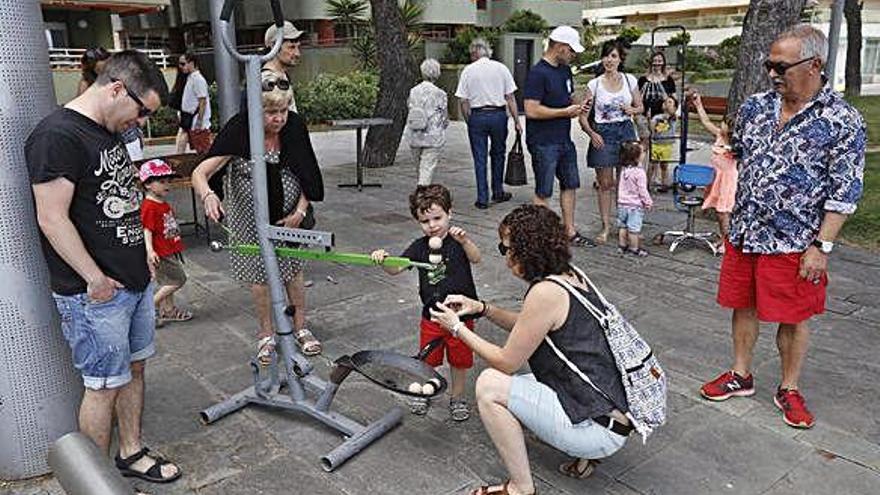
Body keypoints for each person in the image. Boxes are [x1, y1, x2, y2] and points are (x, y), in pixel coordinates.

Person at [26, 50, 181, 484]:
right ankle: (93, 483)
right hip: (94, 293)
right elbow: (51, 217)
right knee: (102, 384)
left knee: (135, 368)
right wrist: (94, 279)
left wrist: (142, 261)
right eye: (141, 111)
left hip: (130, 281)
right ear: (116, 89)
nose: (141, 122)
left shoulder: (107, 130)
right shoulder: (57, 135)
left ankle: (130, 452)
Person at [700, 25, 866, 429]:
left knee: (793, 317)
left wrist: (821, 247)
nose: (772, 74)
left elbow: (845, 191)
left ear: (815, 65)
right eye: (768, 65)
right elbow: (737, 147)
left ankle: (789, 388)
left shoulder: (843, 120)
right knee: (743, 304)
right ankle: (741, 374)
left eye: (781, 66)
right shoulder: (757, 107)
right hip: (745, 232)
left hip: (796, 241)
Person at [429, 205, 632, 495]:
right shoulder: (569, 276)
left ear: (528, 251)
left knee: (489, 385)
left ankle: (521, 488)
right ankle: (586, 458)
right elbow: (529, 326)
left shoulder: (545, 293)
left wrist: (456, 328)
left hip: (598, 429)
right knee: (523, 385)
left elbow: (506, 362)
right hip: (612, 413)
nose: (505, 256)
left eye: (506, 248)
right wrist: (482, 309)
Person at [192, 71, 325, 363]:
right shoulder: (240, 128)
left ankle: (300, 327)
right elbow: (200, 173)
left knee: (293, 268)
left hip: (289, 215)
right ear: (255, 110)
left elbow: (308, 173)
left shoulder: (294, 127)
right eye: (270, 112)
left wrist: (300, 212)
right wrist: (209, 195)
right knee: (259, 274)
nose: (278, 118)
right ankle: (266, 334)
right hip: (248, 217)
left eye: (283, 111)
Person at [370, 184, 481, 421]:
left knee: (459, 360)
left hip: (462, 314)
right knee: (428, 359)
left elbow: (477, 258)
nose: (432, 226)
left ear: (450, 213)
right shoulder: (419, 247)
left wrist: (466, 241)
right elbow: (396, 267)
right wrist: (384, 259)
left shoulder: (457, 241)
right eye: (425, 221)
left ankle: (457, 397)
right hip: (432, 315)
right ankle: (423, 393)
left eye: (437, 218)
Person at [524, 25, 591, 247]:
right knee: (543, 189)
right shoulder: (538, 73)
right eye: (571, 51)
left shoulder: (564, 70)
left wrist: (578, 105)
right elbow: (532, 109)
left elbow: (568, 95)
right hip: (543, 141)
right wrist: (564, 112)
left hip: (563, 138)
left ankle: (569, 230)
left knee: (570, 184)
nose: (573, 56)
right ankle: (539, 235)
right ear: (560, 47)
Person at [582, 40, 644, 245]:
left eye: (614, 56)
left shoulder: (630, 80)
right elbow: (583, 116)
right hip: (604, 133)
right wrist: (592, 133)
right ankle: (606, 226)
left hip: (625, 130)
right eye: (606, 56)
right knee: (605, 184)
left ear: (620, 59)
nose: (609, 60)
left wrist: (632, 110)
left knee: (627, 181)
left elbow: (640, 107)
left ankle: (625, 225)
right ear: (602, 59)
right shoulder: (594, 84)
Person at [455, 38, 519, 209]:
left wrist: (469, 120)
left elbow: (463, 100)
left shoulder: (468, 71)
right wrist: (517, 121)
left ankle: (482, 198)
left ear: (475, 53)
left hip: (477, 115)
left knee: (479, 157)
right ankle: (497, 191)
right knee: (498, 154)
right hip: (498, 115)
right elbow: (510, 97)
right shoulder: (501, 68)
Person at [139, 159, 192, 326]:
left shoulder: (160, 203)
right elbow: (146, 229)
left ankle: (168, 310)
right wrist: (150, 251)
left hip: (168, 248)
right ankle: (149, 307)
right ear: (147, 184)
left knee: (167, 281)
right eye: (161, 181)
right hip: (160, 252)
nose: (166, 185)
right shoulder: (149, 206)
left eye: (168, 181)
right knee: (178, 280)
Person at [692, 92, 737, 254]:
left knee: (724, 212)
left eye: (725, 124)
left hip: (727, 181)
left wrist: (731, 149)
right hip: (716, 179)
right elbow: (706, 121)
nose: (722, 125)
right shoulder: (719, 135)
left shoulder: (734, 146)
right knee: (719, 213)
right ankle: (724, 237)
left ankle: (728, 243)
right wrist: (699, 105)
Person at [406, 58, 448, 185]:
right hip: (432, 135)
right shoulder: (440, 93)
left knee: (419, 168)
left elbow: (410, 107)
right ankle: (422, 194)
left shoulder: (413, 91)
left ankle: (422, 192)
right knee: (427, 168)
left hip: (415, 133)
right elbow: (444, 115)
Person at [616, 142, 652, 257]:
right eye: (643, 152)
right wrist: (648, 202)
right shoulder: (640, 173)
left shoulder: (624, 170)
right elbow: (642, 190)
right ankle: (634, 248)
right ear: (637, 157)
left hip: (622, 203)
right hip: (634, 205)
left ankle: (622, 246)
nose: (644, 154)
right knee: (634, 229)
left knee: (623, 226)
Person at [261, 20, 304, 113]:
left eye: (298, 47)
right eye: (291, 47)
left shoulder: (281, 76)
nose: (297, 54)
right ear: (273, 46)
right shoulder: (268, 80)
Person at [176, 52, 212, 154]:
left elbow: (202, 101)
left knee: (203, 150)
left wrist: (199, 121)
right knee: (196, 147)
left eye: (183, 64)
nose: (181, 67)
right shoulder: (191, 77)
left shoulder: (198, 79)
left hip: (196, 121)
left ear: (191, 63)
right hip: (190, 119)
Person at [647, 95, 679, 192]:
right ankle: (647, 184)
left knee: (664, 165)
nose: (667, 104)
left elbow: (674, 113)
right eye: (666, 102)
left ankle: (664, 183)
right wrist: (649, 119)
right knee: (652, 164)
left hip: (667, 144)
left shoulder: (673, 117)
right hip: (656, 143)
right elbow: (651, 128)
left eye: (670, 102)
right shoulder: (657, 117)